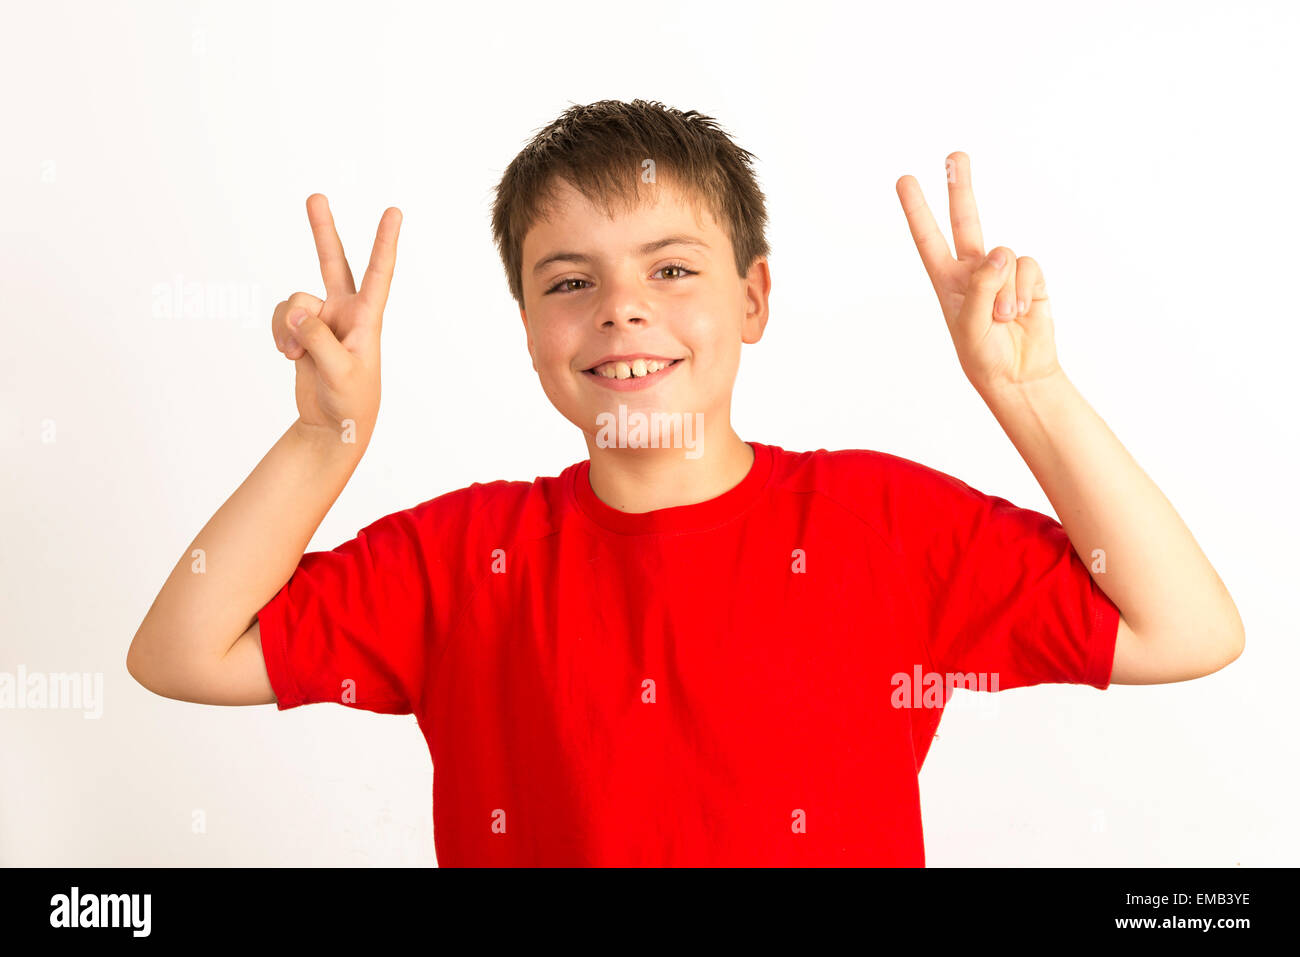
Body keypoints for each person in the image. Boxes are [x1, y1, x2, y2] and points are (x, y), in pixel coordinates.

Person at [127, 99, 1244, 866]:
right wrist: (327, 437)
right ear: (526, 328)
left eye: (671, 268)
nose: (622, 307)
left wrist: (1028, 391)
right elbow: (183, 651)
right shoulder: (464, 557)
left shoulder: (880, 527)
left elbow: (1184, 629)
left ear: (754, 299)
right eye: (571, 280)